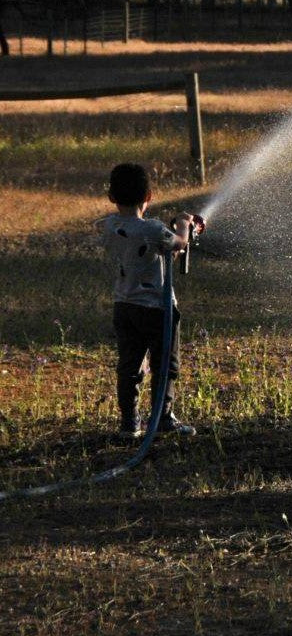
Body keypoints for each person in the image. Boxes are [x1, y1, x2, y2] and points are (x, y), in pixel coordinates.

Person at [100, 162, 205, 439]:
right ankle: (163, 418)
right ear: (149, 196)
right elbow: (179, 243)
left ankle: (129, 422)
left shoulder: (108, 226)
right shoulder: (154, 229)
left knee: (129, 364)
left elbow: (145, 250)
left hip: (124, 307)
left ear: (111, 197)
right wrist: (184, 223)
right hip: (158, 310)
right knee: (165, 364)